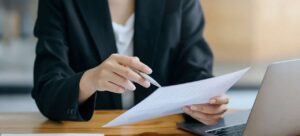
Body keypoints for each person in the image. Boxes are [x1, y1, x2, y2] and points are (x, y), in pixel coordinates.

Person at [32, 0, 229, 125]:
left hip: (162, 135)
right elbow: (47, 91)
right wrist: (90, 79)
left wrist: (207, 100)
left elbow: (194, 69)